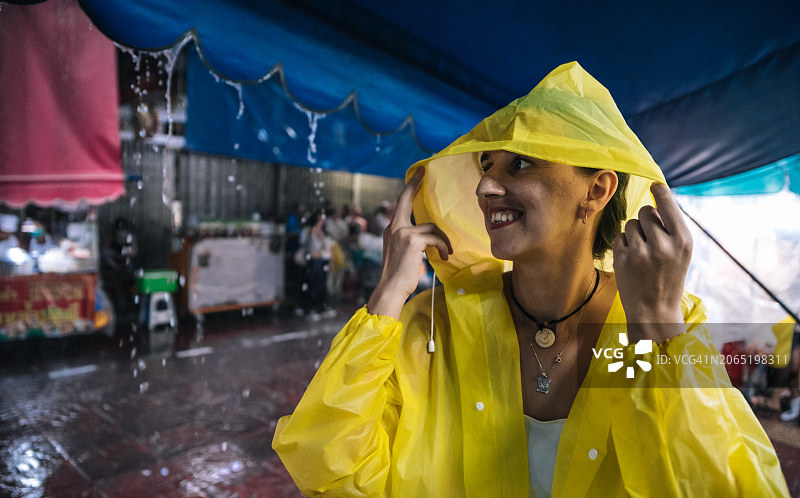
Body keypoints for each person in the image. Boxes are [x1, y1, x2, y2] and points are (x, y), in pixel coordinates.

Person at [272, 62, 789, 496]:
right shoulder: (434, 327)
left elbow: (722, 486)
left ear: (597, 189)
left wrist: (656, 327)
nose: (487, 187)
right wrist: (386, 296)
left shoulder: (649, 333)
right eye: (485, 164)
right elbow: (329, 468)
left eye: (521, 163)